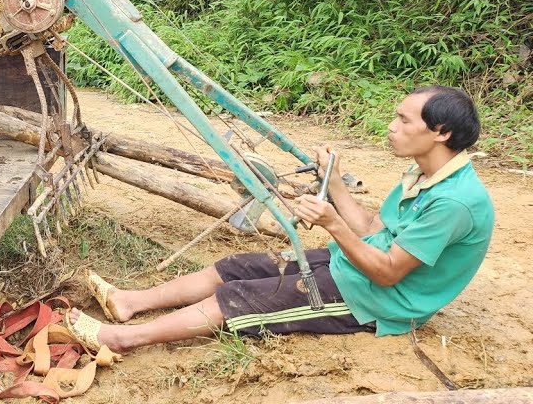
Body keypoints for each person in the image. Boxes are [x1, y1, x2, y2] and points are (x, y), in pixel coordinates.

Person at [68, 85, 493, 359]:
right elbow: (369, 230)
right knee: (236, 268)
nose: (391, 126)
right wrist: (335, 182)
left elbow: (386, 273)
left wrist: (331, 223)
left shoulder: (454, 203)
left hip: (378, 300)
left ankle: (121, 339)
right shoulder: (425, 173)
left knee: (240, 297)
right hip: (355, 266)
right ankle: (131, 302)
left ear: (439, 132)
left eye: (404, 120)